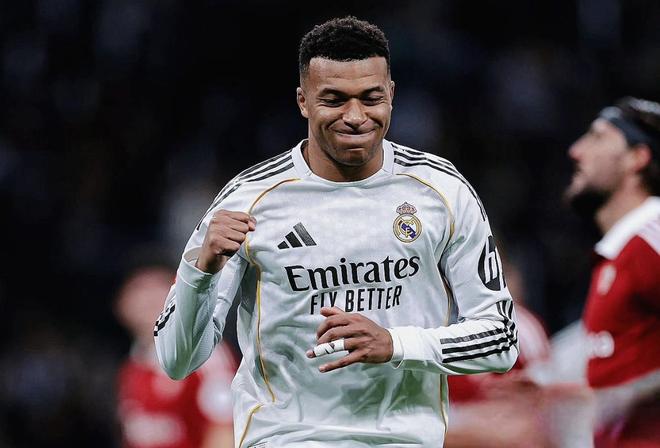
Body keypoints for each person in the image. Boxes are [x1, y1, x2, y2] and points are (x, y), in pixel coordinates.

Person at [154, 16, 518, 447]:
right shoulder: (249, 199)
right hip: (289, 439)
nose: (355, 116)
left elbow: (500, 339)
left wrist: (395, 344)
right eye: (334, 100)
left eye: (371, 98)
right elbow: (176, 360)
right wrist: (201, 271)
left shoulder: (441, 190)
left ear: (391, 95)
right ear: (303, 101)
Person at [564, 96, 660, 447]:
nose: (576, 151)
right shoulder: (625, 249)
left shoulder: (652, 233)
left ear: (637, 157)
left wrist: (617, 398)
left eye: (598, 137)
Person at [115, 265, 237, 448]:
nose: (148, 300)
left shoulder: (204, 353)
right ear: (122, 304)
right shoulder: (132, 365)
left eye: (157, 288)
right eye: (140, 290)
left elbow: (225, 428)